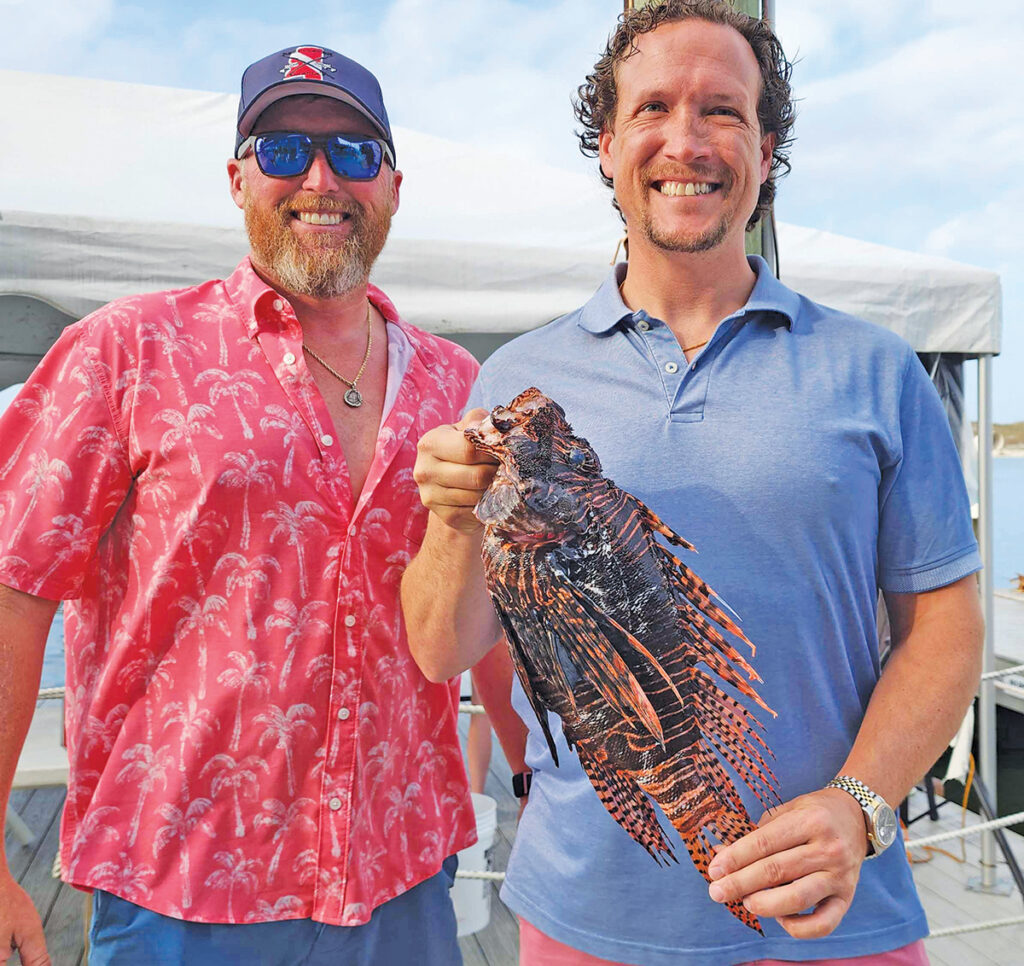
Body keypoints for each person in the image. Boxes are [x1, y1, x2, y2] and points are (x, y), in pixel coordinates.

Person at [401, 2, 984, 964]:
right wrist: (456, 523)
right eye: (653, 108)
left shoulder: (877, 371)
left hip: (833, 920)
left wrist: (859, 808)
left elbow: (947, 627)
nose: (686, 140)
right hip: (582, 916)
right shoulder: (512, 379)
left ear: (766, 148)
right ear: (606, 144)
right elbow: (443, 651)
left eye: (722, 110)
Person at [0, 44, 479, 965]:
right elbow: (16, 590)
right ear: (237, 177)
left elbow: (486, 598)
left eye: (354, 152)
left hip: (404, 870)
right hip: (182, 882)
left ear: (393, 184)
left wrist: (529, 768)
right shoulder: (124, 352)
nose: (322, 176)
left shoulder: (454, 380)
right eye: (285, 147)